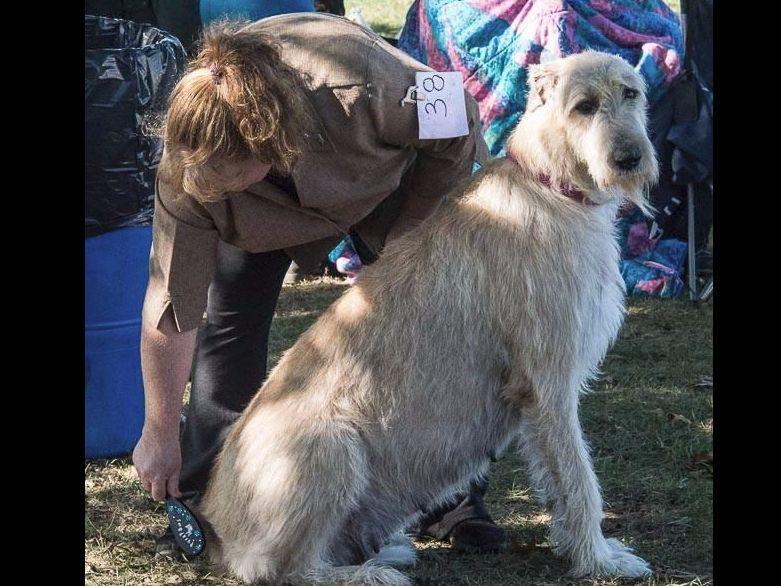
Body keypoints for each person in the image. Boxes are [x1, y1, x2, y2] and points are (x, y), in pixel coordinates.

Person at [131, 12, 508, 557]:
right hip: (260, 222)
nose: (201, 191)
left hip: (390, 189)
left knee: (440, 336)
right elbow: (172, 309)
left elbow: (455, 110)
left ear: (264, 145)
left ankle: (454, 500)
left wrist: (413, 234)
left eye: (220, 180)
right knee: (226, 329)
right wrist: (159, 431)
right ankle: (215, 504)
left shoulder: (360, 82)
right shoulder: (191, 175)